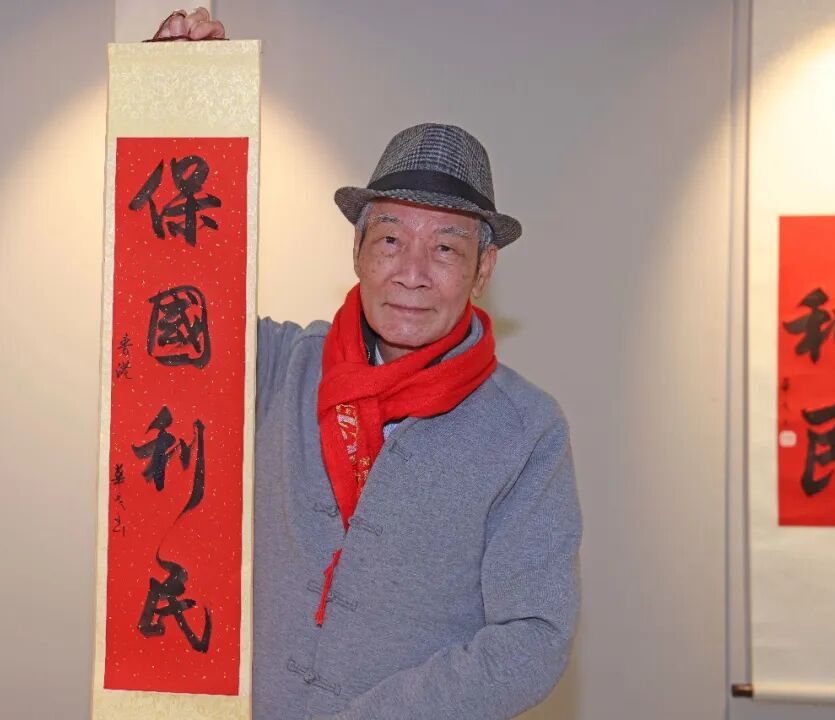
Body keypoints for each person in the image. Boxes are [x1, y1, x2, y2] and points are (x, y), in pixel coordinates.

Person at [154, 10, 582, 720]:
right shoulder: (280, 366)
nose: (412, 271)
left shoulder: (526, 431)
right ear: (356, 250)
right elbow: (169, 295)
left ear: (483, 270)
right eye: (389, 239)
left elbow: (532, 640)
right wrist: (183, 101)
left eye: (445, 248)